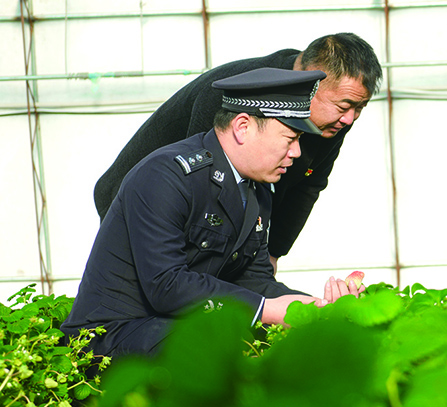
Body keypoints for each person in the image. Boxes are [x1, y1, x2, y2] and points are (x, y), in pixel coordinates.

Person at [61, 67, 363, 358]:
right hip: (111, 335)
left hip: (173, 326)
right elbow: (166, 285)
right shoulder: (166, 175)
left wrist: (316, 307)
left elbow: (254, 279)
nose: (297, 152)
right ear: (243, 127)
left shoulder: (257, 189)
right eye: (290, 138)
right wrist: (267, 310)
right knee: (223, 355)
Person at [93, 32, 382, 273]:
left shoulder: (333, 120)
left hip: (213, 217)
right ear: (311, 80)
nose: (350, 119)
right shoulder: (239, 91)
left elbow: (307, 185)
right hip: (140, 199)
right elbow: (200, 182)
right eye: (344, 106)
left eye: (360, 108)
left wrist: (273, 253)